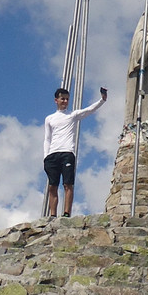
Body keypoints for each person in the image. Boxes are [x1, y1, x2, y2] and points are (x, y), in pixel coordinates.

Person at [43, 86, 107, 217]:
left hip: (67, 153)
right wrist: (46, 156)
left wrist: (102, 100)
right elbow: (47, 138)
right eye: (63, 99)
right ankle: (53, 215)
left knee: (68, 184)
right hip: (52, 154)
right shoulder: (49, 118)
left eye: (67, 99)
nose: (65, 102)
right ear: (56, 100)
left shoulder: (72, 115)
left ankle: (66, 213)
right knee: (52, 186)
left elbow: (89, 110)